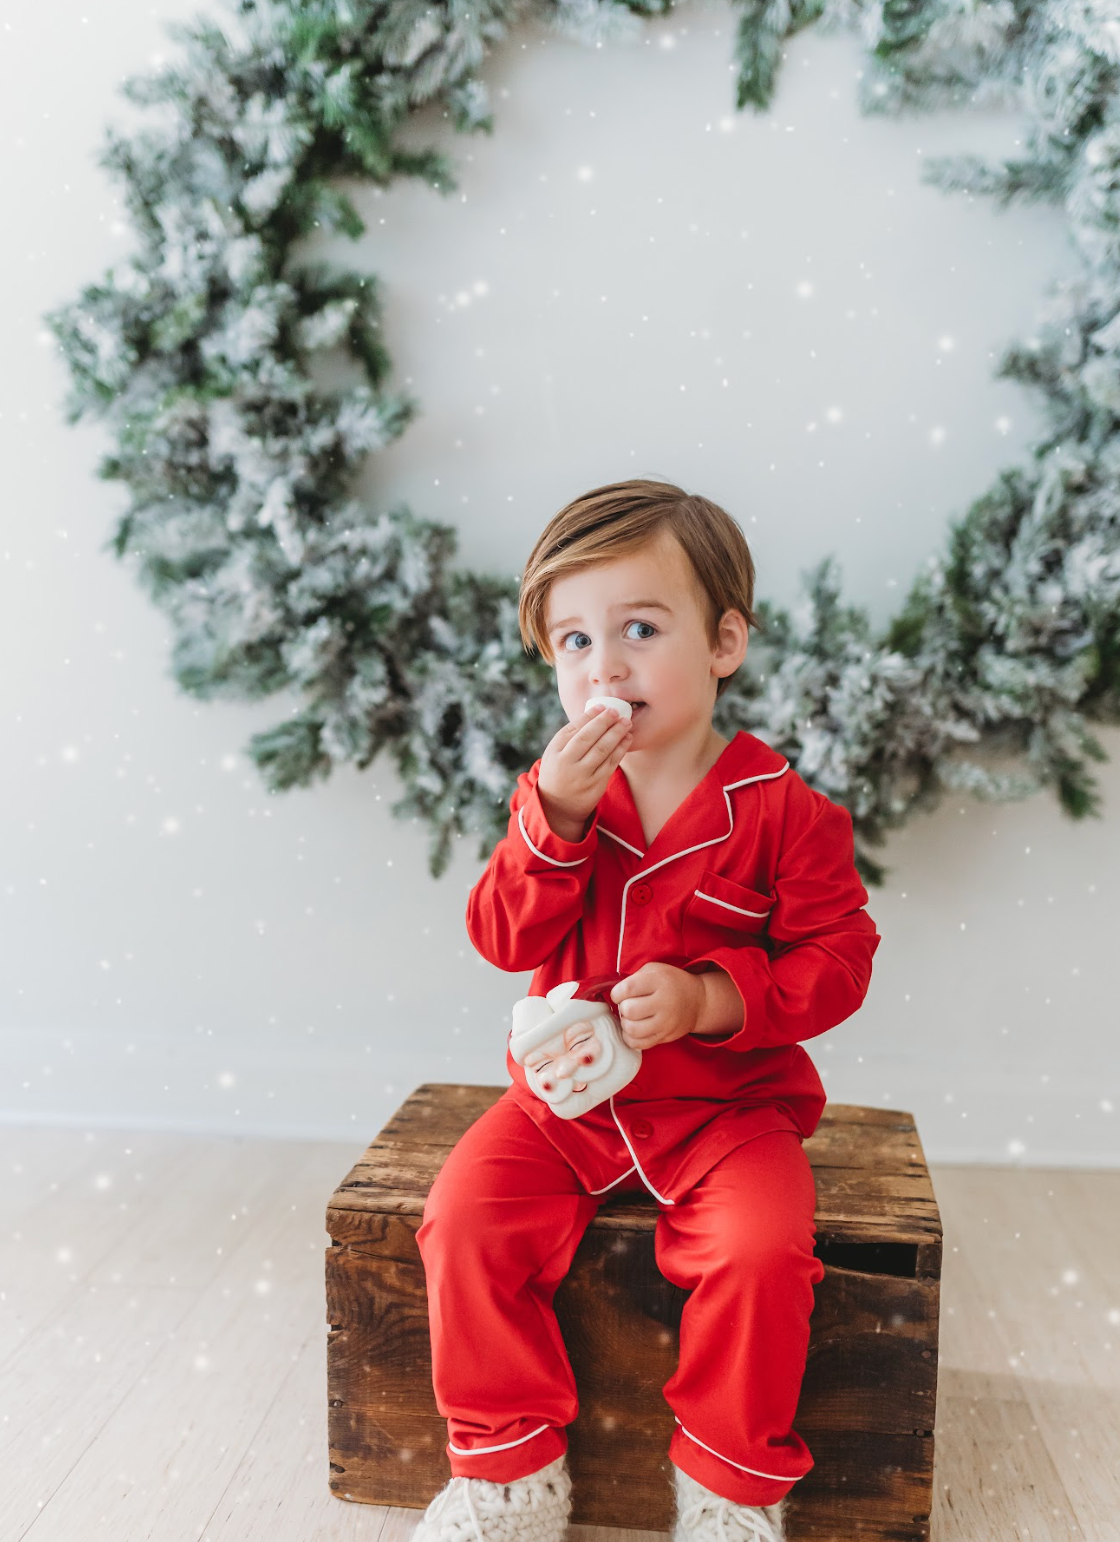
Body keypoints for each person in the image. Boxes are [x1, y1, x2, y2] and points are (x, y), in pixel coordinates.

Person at [413, 478, 881, 1542]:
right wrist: (555, 819)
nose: (605, 668)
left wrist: (714, 997)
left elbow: (839, 959)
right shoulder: (557, 797)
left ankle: (727, 1494)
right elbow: (501, 937)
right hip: (563, 1107)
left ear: (723, 642)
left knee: (763, 1253)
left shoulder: (787, 815)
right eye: (573, 643)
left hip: (727, 1112)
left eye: (638, 628)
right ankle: (507, 1479)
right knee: (464, 1221)